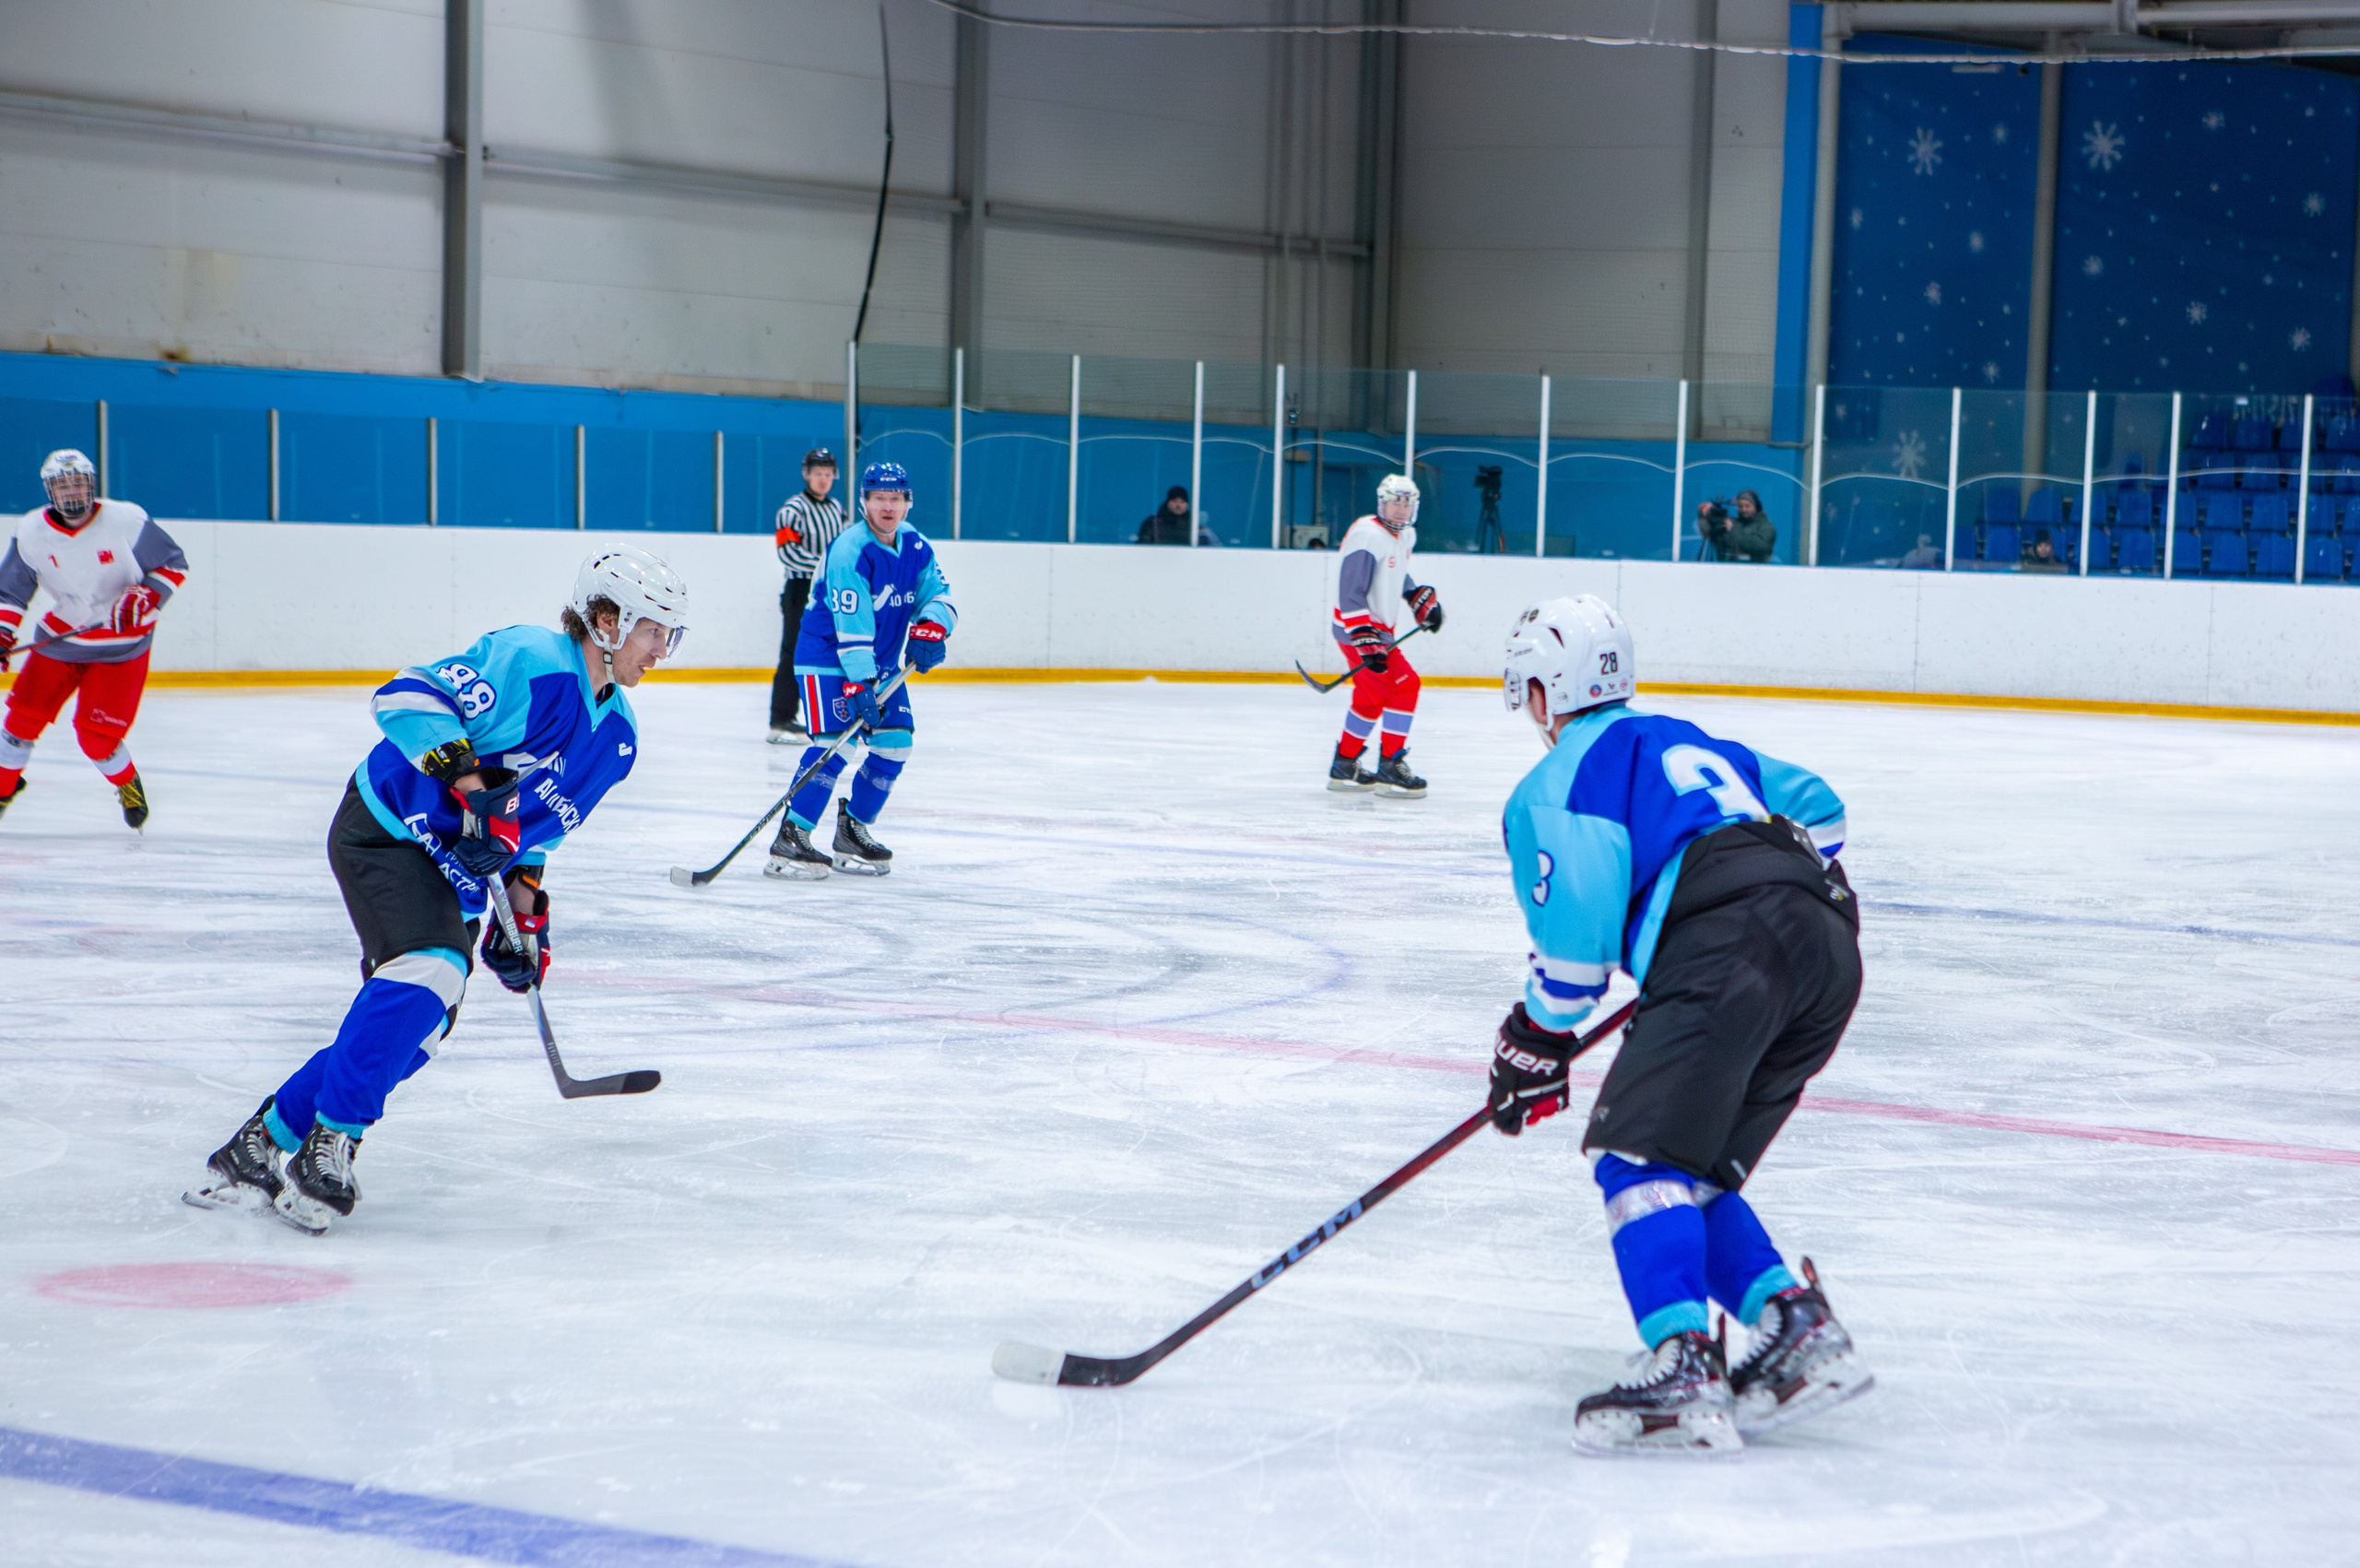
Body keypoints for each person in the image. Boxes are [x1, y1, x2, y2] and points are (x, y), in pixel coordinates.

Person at [183, 548, 689, 1233]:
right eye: (652, 631)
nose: (661, 650)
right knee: (430, 967)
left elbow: (538, 836)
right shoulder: (532, 660)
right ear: (606, 620)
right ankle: (332, 1141)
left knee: (416, 1029)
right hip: (391, 826)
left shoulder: (618, 740)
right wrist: (470, 783)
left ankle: (260, 1144)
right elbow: (405, 696)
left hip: (457, 873)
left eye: (669, 634)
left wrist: (524, 916)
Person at [1487, 595, 1873, 1456]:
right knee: (1685, 1162)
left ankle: (1683, 1363)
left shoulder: (1557, 784)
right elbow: (1824, 810)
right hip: (1825, 948)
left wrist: (1533, 1040)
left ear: (1545, 691)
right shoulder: (1692, 741)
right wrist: (1768, 899)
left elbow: (1575, 963)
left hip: (1728, 949)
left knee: (1635, 1157)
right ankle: (1795, 1325)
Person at [764, 463, 956, 879]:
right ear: (864, 502)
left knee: (895, 744)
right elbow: (852, 626)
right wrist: (858, 681)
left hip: (878, 662)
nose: (888, 507)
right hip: (828, 659)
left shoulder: (917, 546)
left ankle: (852, 830)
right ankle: (793, 834)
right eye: (879, 498)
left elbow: (939, 594)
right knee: (836, 746)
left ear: (907, 503)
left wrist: (933, 625)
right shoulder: (850, 549)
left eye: (895, 499)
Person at [0, 449, 188, 830]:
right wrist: (2, 635)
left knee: (97, 739)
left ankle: (127, 784)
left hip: (122, 646)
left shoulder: (126, 519)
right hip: (61, 640)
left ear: (92, 484)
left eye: (79, 482)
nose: (72, 491)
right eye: (63, 484)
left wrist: (146, 595)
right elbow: (11, 593)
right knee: (19, 723)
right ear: (49, 491)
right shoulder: (32, 531)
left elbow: (173, 565)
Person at [1327, 474, 1443, 798]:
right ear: (1381, 503)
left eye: (1407, 504)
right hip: (1358, 630)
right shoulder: (1366, 535)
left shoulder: (1405, 536)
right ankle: (1391, 765)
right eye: (1395, 503)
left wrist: (1415, 596)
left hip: (1377, 630)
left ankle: (1344, 764)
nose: (1400, 510)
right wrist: (1364, 638)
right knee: (1405, 684)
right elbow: (1351, 590)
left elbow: (1395, 572)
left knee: (1371, 696)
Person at [771, 448, 849, 744]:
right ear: (806, 474)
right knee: (793, 652)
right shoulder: (793, 509)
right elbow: (788, 553)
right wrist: (826, 567)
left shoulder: (837, 510)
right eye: (818, 473)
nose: (823, 479)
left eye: (828, 474)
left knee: (832, 651)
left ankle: (830, 716)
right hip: (801, 589)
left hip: (829, 590)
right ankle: (781, 720)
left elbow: (844, 547)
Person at [1698, 489, 1776, 562]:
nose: (1744, 509)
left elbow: (1760, 547)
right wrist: (1705, 515)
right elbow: (1708, 533)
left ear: (1756, 506)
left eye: (1747, 506)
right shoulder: (1733, 523)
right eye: (1740, 506)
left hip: (1756, 570)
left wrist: (1733, 529)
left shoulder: (1766, 527)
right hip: (1726, 569)